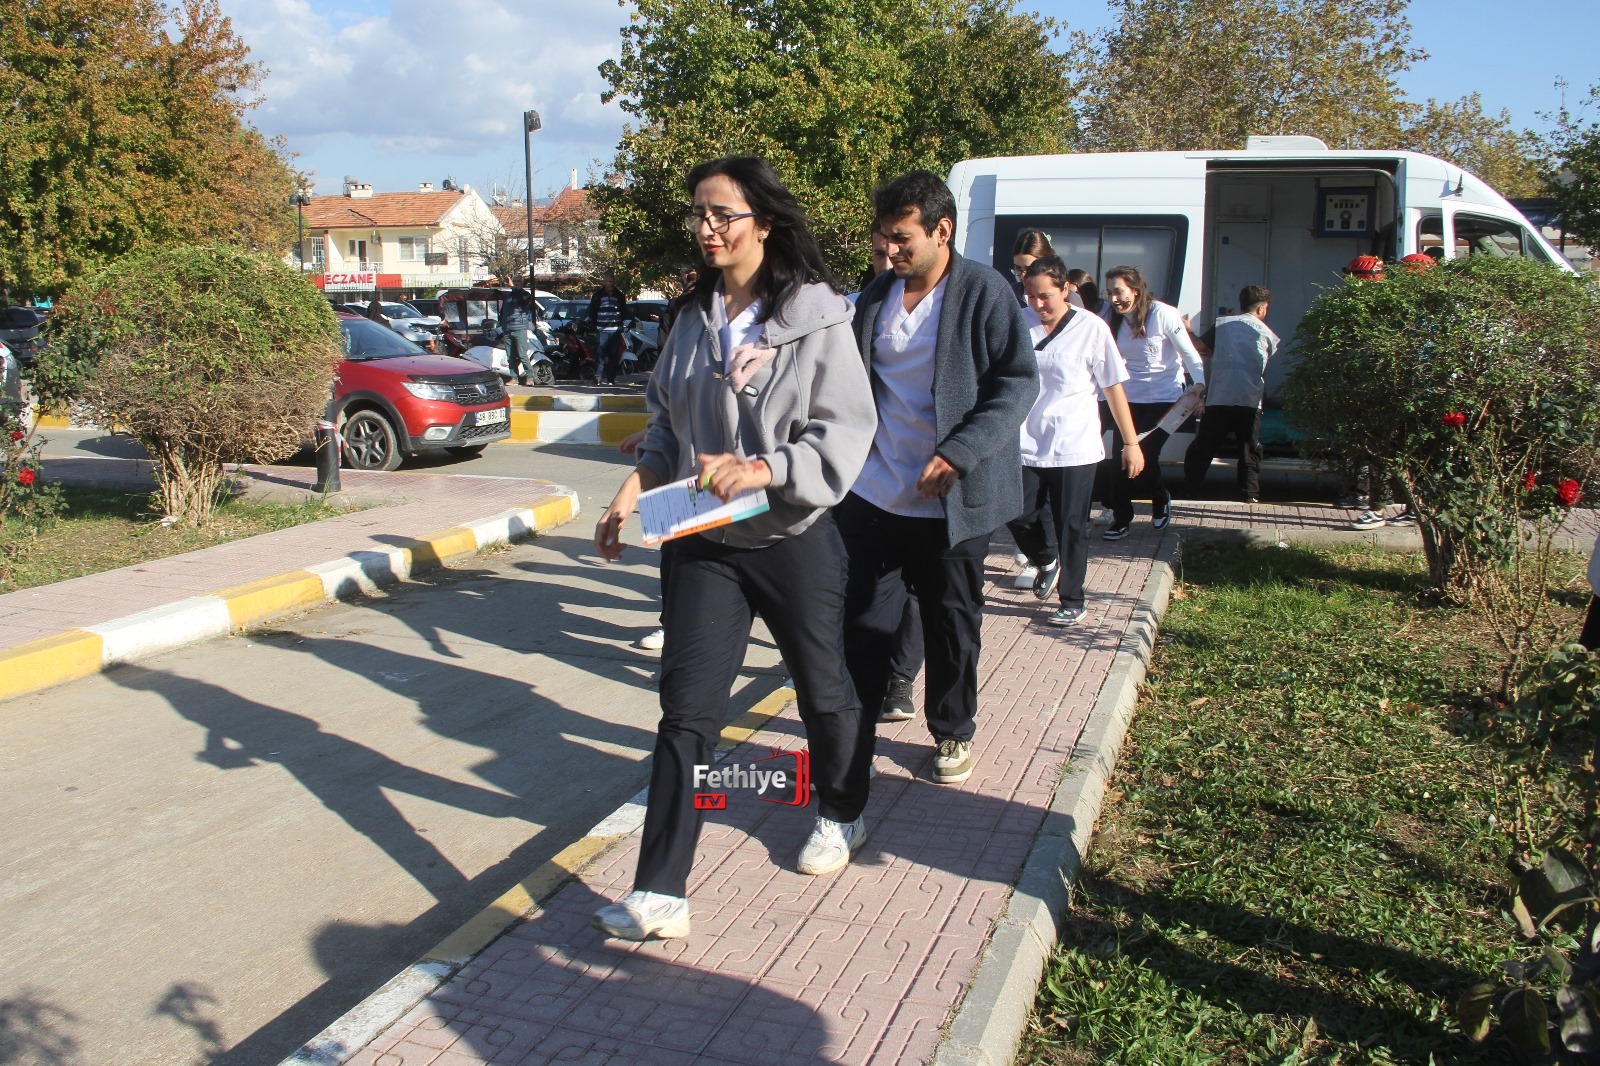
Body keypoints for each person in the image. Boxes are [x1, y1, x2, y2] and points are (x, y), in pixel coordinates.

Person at [591, 156, 878, 941]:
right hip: (702, 538)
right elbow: (663, 422)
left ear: (766, 221)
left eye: (723, 214)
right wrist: (634, 489)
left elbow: (845, 431)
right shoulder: (690, 318)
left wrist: (765, 467)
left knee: (824, 687)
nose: (707, 230)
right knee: (685, 712)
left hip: (792, 537)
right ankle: (660, 892)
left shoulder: (819, 318)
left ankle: (843, 809)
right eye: (699, 216)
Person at [842, 169, 1038, 787]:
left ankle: (953, 731)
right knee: (865, 618)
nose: (891, 251)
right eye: (883, 239)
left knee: (951, 620)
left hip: (954, 499)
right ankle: (855, 727)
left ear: (942, 230)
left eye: (902, 239)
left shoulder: (984, 291)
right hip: (876, 490)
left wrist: (959, 452)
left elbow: (1016, 382)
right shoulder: (874, 298)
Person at [1008, 256, 1144, 626]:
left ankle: (1072, 598)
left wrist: (1130, 443)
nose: (1037, 304)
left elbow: (1112, 387)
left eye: (1046, 296)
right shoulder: (1019, 324)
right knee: (1017, 515)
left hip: (1075, 444)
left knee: (1072, 524)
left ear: (1066, 289)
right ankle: (1045, 560)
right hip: (1025, 442)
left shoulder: (1092, 328)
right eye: (1030, 295)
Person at [1101, 265, 1205, 540]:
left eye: (1119, 291)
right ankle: (1122, 518)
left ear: (1135, 290)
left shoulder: (1163, 314)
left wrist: (1199, 386)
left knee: (1144, 453)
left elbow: (1190, 355)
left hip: (1165, 398)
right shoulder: (1112, 319)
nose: (1114, 299)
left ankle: (1160, 499)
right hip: (1128, 398)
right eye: (1109, 292)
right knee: (1119, 459)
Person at [1183, 285, 1277, 502]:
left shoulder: (1223, 325)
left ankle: (1190, 490)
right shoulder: (1266, 333)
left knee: (1203, 448)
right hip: (1250, 401)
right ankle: (1249, 495)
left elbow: (1197, 345)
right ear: (1262, 309)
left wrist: (1187, 329)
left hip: (1220, 398)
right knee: (1249, 450)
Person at [588, 273, 628, 386]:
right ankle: (598, 378)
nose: (610, 284)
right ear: (604, 283)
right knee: (600, 355)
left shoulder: (619, 295)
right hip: (602, 330)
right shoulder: (598, 295)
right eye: (608, 282)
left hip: (615, 330)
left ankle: (611, 379)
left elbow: (624, 311)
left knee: (613, 356)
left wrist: (620, 323)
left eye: (612, 282)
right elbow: (592, 311)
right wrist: (595, 325)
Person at [499, 283, 536, 386]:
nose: (515, 283)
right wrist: (502, 324)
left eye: (518, 281)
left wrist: (514, 286)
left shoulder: (525, 295)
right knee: (510, 356)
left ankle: (529, 377)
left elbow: (522, 299)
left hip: (520, 329)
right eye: (514, 281)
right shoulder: (508, 296)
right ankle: (514, 378)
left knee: (522, 354)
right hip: (507, 329)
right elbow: (503, 312)